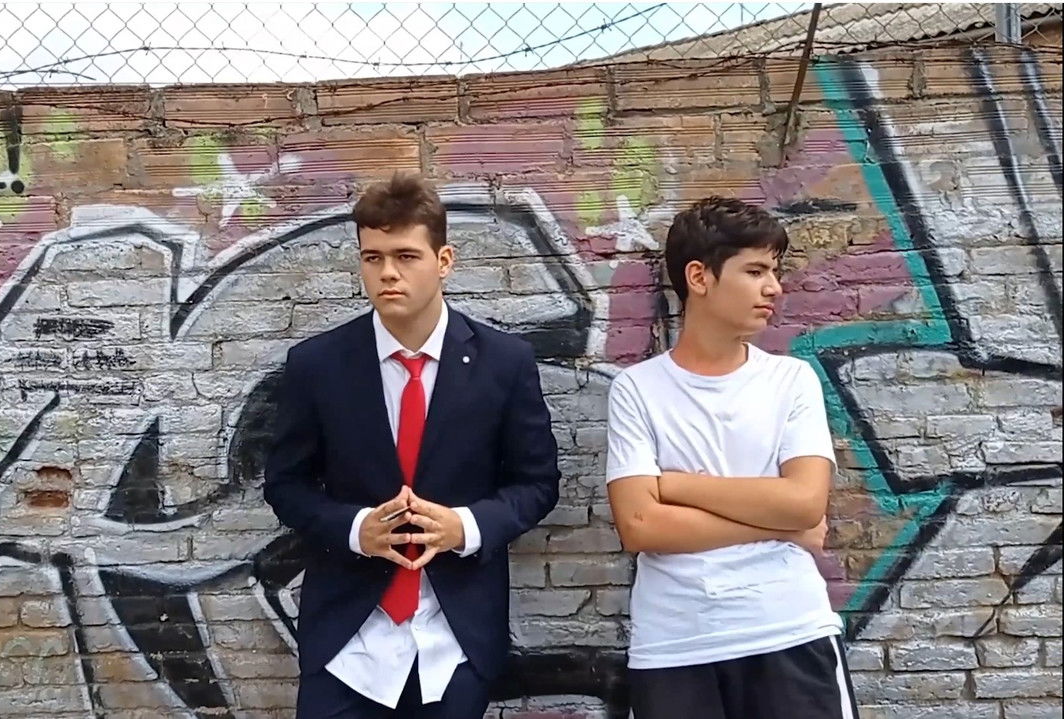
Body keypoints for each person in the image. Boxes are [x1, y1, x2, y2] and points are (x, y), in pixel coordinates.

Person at [264, 171, 561, 718]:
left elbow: (537, 483)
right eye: (372, 258)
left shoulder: (504, 363)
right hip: (348, 642)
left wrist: (463, 527)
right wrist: (356, 529)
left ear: (444, 261)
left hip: (454, 641)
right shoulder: (317, 365)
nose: (387, 273)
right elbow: (286, 485)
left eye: (405, 256)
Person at [605, 196, 860, 718]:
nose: (775, 287)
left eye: (774, 271)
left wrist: (678, 486)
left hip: (788, 631)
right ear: (699, 277)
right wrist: (781, 529)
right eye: (755, 271)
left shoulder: (791, 381)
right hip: (677, 646)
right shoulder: (637, 390)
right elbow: (640, 526)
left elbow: (804, 504)